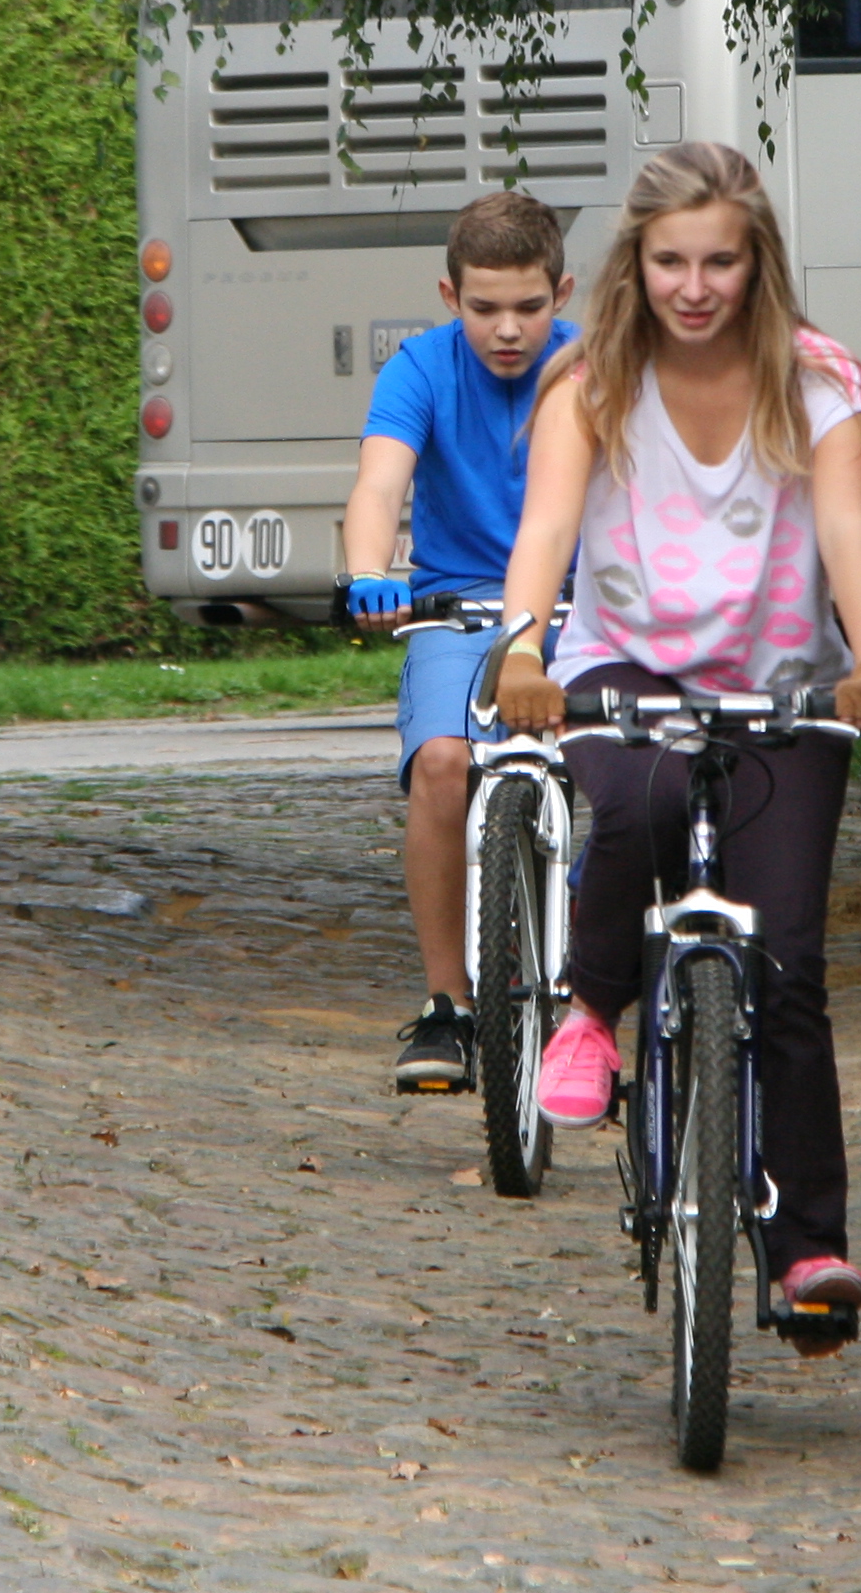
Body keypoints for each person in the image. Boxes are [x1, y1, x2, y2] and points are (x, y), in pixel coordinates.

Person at [489, 140, 861, 1348]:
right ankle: (589, 1009)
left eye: (720, 261)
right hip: (627, 665)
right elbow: (546, 530)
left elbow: (844, 529)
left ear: (757, 261)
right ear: (637, 263)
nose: (694, 287)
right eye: (671, 261)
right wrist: (523, 651)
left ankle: (809, 1252)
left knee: (790, 967)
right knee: (640, 802)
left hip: (785, 683)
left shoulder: (823, 384)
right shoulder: (590, 386)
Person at [340, 189, 578, 1094]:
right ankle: (449, 1005)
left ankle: (591, 993)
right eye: (484, 308)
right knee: (442, 764)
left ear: (562, 292)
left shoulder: (594, 367)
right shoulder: (419, 369)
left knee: (632, 774)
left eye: (529, 306)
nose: (507, 330)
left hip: (581, 608)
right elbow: (378, 483)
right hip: (460, 609)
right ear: (450, 296)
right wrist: (371, 572)